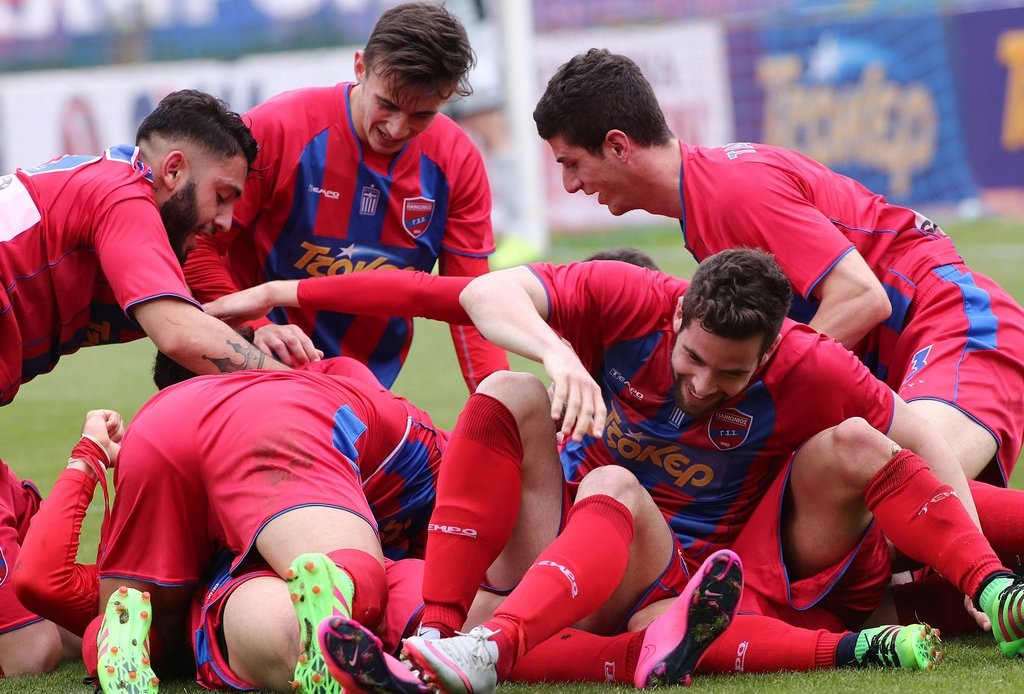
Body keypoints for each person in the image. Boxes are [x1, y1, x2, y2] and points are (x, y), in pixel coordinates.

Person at [392, 249, 1023, 691]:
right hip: (570, 555)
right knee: (509, 389)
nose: (701, 385)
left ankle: (997, 594)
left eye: (730, 374)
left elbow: (919, 438)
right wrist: (557, 357)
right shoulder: (628, 299)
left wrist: (979, 576)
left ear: (769, 353)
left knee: (859, 441)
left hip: (686, 578)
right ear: (676, 318)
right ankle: (442, 639)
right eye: (692, 358)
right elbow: (476, 292)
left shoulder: (811, 364)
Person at [532, 48, 1024, 488]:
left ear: (618, 146)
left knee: (914, 494)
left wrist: (758, 396)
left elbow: (861, 297)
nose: (571, 184)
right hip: (903, 350)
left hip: (950, 325)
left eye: (571, 163)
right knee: (876, 523)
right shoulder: (704, 201)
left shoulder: (729, 192)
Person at [183, 1, 508, 391]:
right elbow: (197, 247)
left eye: (421, 115)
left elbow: (471, 302)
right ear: (360, 67)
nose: (396, 128)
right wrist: (254, 326)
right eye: (387, 104)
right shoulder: (278, 129)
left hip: (364, 391)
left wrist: (500, 404)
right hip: (255, 365)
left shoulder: (456, 160)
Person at [93, 347, 449, 693]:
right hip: (283, 418)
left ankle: (123, 638)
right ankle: (331, 612)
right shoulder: (435, 453)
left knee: (143, 611)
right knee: (359, 583)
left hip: (157, 427)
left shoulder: (330, 378)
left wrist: (86, 455)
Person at [0, 88, 289, 408]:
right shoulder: (123, 194)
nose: (226, 222)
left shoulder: (109, 192)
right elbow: (179, 333)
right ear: (173, 170)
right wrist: (303, 388)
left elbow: (185, 321)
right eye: (221, 197)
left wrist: (245, 316)